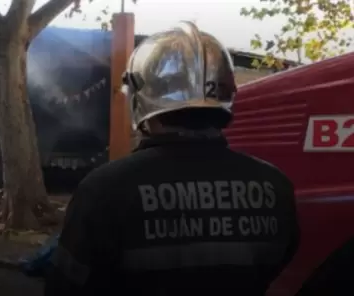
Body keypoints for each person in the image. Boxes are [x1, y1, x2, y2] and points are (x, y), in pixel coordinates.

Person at [44, 22, 299, 296]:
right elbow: (278, 263)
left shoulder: (104, 189)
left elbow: (66, 286)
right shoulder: (276, 186)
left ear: (141, 94)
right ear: (226, 94)